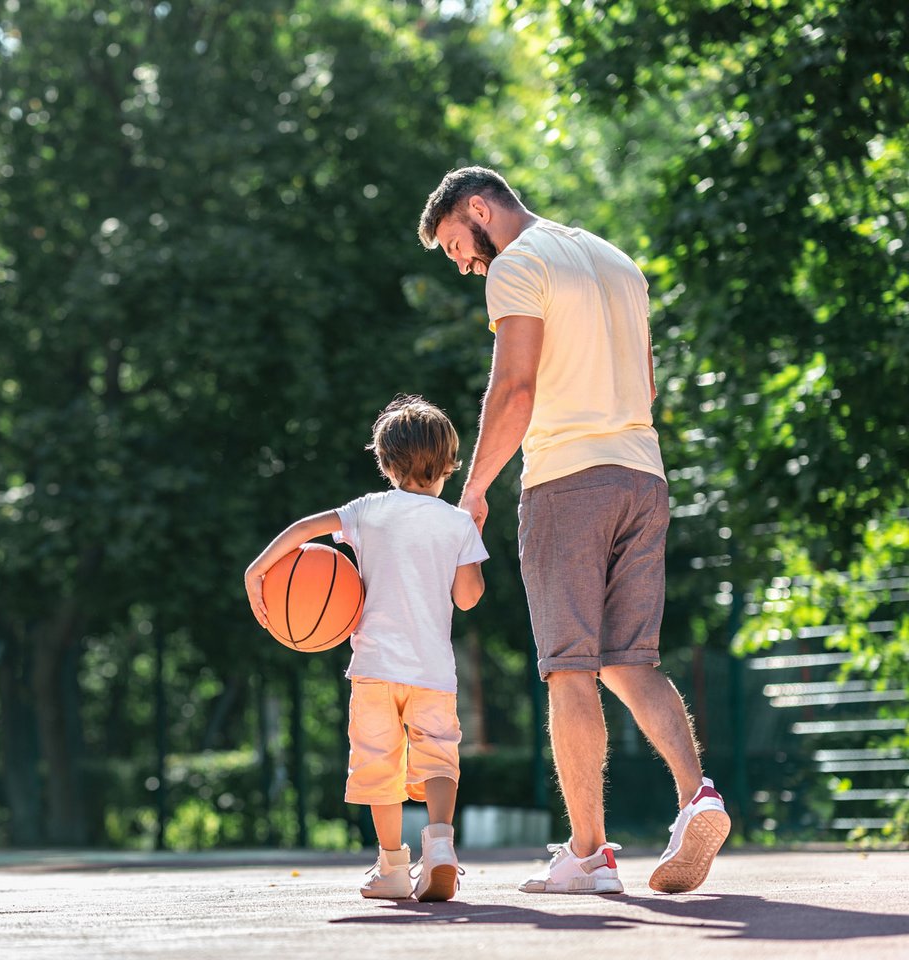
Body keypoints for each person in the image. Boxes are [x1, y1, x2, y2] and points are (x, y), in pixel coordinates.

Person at [417, 166, 730, 895]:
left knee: (569, 667)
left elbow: (516, 386)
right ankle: (698, 795)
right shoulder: (616, 260)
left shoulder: (519, 264)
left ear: (477, 209)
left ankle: (589, 855)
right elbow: (647, 384)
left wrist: (475, 489)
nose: (463, 263)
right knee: (632, 662)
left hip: (568, 481)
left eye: (458, 246)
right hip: (643, 476)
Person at [244, 396, 488, 901]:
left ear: (386, 461)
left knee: (381, 766)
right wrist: (471, 539)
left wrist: (258, 570)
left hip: (375, 668)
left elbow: (304, 531)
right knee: (439, 760)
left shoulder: (366, 511)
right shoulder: (457, 523)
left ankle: (392, 866)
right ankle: (440, 843)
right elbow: (467, 600)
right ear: (448, 463)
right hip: (433, 672)